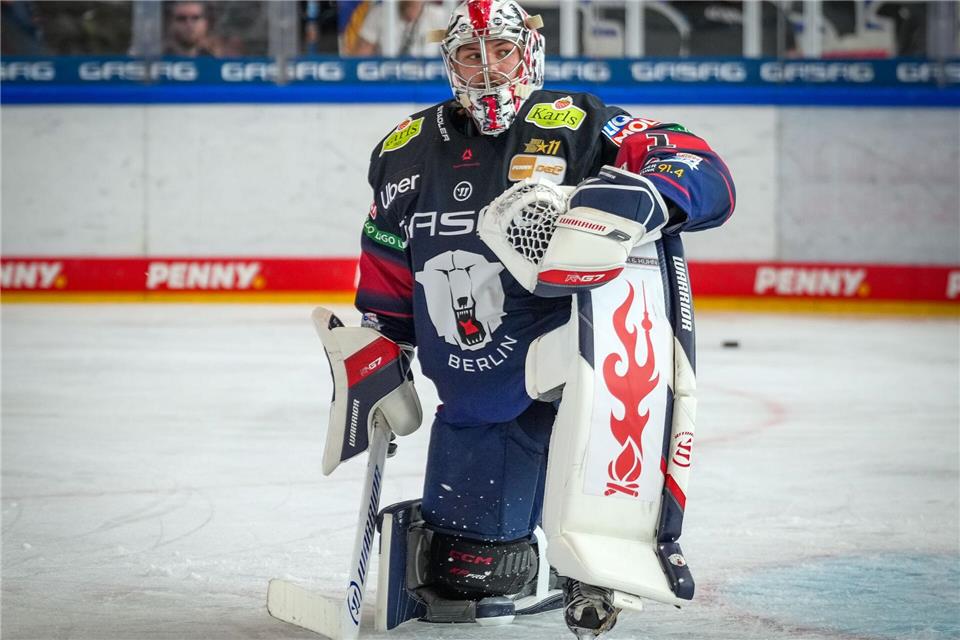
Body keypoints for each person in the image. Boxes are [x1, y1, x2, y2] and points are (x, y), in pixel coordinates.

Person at [353, 0, 735, 636]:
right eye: (471, 55)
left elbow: (703, 169)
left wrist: (648, 190)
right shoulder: (404, 148)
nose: (488, 69)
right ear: (449, 63)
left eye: (500, 51)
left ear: (528, 49)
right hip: (474, 386)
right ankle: (510, 564)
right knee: (470, 575)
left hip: (574, 367)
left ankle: (591, 559)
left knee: (588, 516)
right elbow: (387, 253)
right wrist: (382, 341)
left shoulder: (578, 122)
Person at [347, 0, 447, 57]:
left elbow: (453, 52)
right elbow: (360, 58)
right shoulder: (379, 15)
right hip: (388, 82)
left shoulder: (438, 17)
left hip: (428, 84)